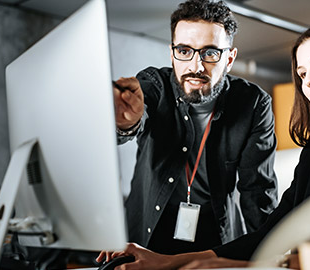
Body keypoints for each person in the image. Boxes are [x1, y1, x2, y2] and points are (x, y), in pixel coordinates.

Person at [97, 16, 310, 270]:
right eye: (302, 71)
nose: (309, 80)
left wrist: (241, 265)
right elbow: (272, 233)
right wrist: (170, 261)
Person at [110, 0, 278, 255]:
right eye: (185, 51)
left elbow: (258, 190)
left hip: (216, 240)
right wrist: (125, 123)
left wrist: (273, 253)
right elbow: (136, 117)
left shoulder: (253, 104)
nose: (196, 67)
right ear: (172, 53)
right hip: (148, 234)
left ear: (230, 59)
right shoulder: (153, 84)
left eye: (210, 53)